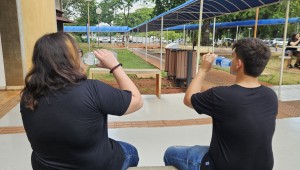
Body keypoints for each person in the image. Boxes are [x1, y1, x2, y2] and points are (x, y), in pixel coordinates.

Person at [20, 32, 143, 170]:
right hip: (95, 165)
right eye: (78, 52)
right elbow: (136, 101)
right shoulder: (92, 89)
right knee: (130, 151)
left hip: (45, 166)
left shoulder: (28, 95)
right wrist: (115, 66)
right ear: (71, 58)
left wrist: (79, 70)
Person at [164, 38, 278, 170]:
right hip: (263, 166)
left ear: (239, 64)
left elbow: (188, 99)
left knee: (170, 153)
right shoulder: (270, 96)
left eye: (233, 57)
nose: (231, 61)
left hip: (221, 166)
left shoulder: (221, 95)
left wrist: (203, 70)